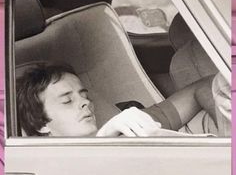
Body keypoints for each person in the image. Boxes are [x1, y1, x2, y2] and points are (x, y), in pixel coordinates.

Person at [16, 62, 229, 137]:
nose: (85, 103)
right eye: (66, 101)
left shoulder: (124, 125)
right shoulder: (43, 167)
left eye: (85, 95)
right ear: (42, 123)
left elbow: (208, 87)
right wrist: (104, 141)